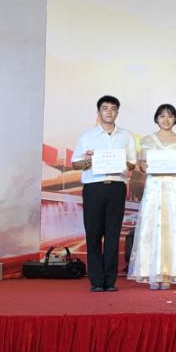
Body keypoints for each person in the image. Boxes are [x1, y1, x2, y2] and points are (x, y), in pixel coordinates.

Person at [70, 95, 137, 292]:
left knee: (113, 234)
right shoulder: (87, 136)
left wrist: (123, 163)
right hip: (94, 188)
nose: (109, 112)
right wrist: (87, 160)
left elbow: (132, 163)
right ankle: (97, 281)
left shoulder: (126, 136)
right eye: (105, 108)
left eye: (113, 108)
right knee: (93, 234)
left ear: (117, 112)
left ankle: (110, 280)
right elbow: (75, 163)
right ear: (98, 112)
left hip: (116, 188)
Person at [129, 103, 176, 290]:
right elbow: (141, 165)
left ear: (175, 119)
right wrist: (143, 167)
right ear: (156, 118)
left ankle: (168, 273)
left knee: (173, 225)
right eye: (162, 116)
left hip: (174, 186)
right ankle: (152, 271)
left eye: (170, 116)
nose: (166, 119)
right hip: (155, 186)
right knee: (152, 224)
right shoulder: (147, 140)